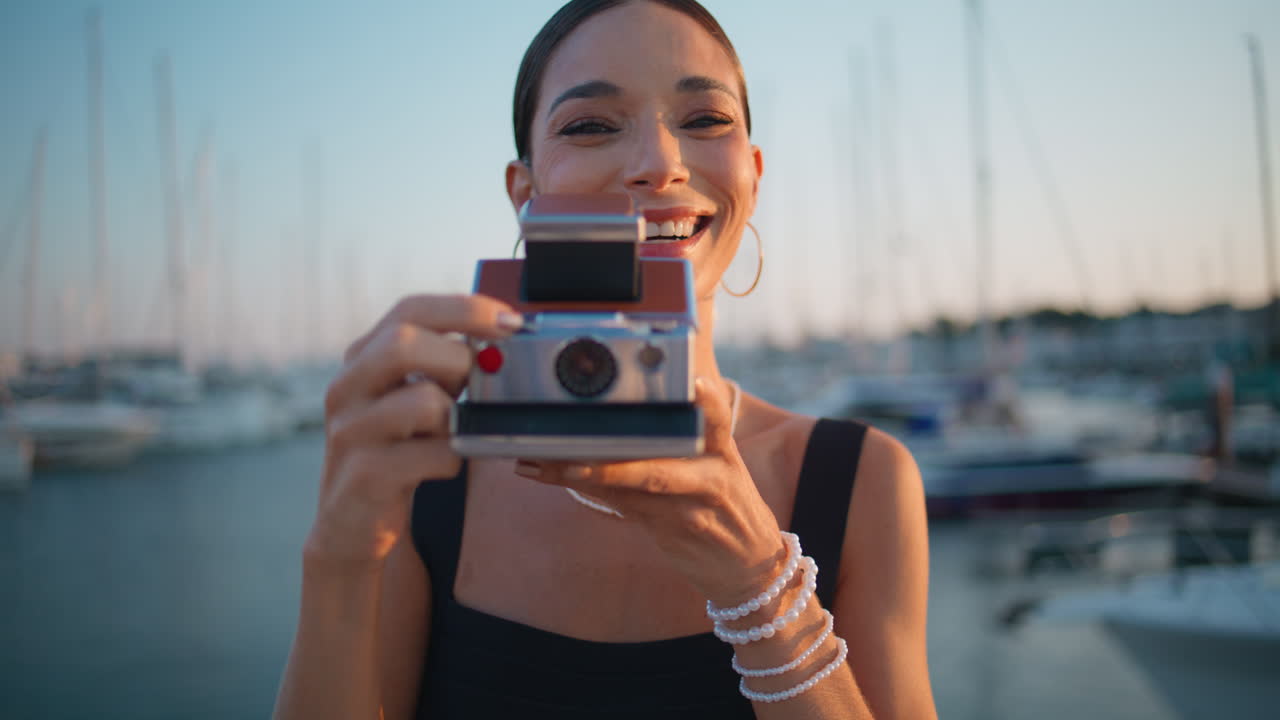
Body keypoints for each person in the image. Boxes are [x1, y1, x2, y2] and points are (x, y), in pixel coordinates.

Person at [273, 1, 936, 717]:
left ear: (752, 173)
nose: (659, 164)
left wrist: (759, 582)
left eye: (705, 120)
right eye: (590, 126)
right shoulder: (427, 470)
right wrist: (337, 562)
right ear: (524, 195)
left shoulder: (861, 479)